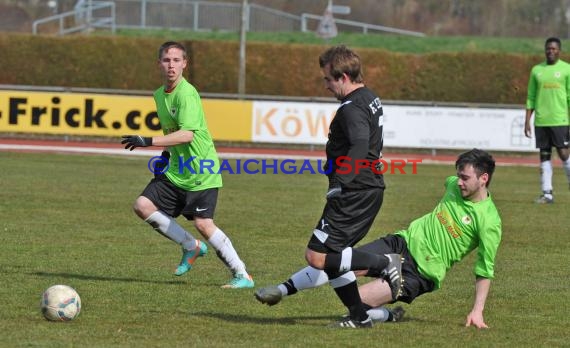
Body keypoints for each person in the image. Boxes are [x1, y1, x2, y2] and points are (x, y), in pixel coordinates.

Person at [256, 148, 501, 329]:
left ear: (484, 179)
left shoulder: (489, 221)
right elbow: (453, 181)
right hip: (400, 243)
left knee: (356, 301)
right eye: (457, 175)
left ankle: (386, 315)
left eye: (465, 178)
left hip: (422, 272)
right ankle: (281, 290)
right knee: (340, 260)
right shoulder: (452, 185)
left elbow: (485, 270)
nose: (458, 182)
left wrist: (477, 310)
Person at [258, 45, 401, 329]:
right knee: (335, 257)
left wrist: (341, 182)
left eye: (328, 79)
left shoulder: (351, 108)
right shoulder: (369, 96)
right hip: (366, 188)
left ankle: (383, 263)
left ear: (344, 76)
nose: (326, 85)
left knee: (318, 255)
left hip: (355, 191)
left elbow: (360, 144)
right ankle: (360, 318)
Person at [121, 41, 254, 289]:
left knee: (203, 224)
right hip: (176, 168)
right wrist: (166, 155)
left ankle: (242, 274)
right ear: (159, 63)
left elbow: (187, 135)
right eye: (166, 60)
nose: (171, 65)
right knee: (142, 205)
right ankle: (190, 246)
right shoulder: (160, 95)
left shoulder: (186, 93)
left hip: (200, 170)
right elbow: (172, 133)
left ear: (184, 64)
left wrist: (147, 141)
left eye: (176, 60)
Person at [524, 37, 570, 204]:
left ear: (559, 51)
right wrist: (527, 120)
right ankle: (547, 193)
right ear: (545, 50)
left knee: (564, 154)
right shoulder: (537, 70)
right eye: (548, 49)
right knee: (544, 156)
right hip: (542, 121)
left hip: (560, 120)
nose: (551, 51)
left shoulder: (567, 69)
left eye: (554, 49)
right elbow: (531, 96)